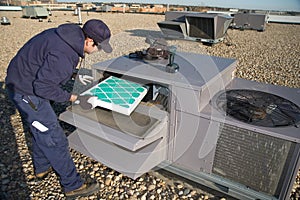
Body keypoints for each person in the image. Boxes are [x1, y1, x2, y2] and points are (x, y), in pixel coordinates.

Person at [5, 19, 112, 198]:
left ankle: (42, 168)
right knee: (55, 138)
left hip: (20, 80)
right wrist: (76, 98)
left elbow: (47, 63)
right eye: (98, 47)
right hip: (27, 93)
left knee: (41, 129)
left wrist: (73, 74)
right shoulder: (64, 54)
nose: (97, 51)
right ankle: (72, 185)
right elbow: (43, 88)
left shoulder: (64, 35)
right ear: (88, 41)